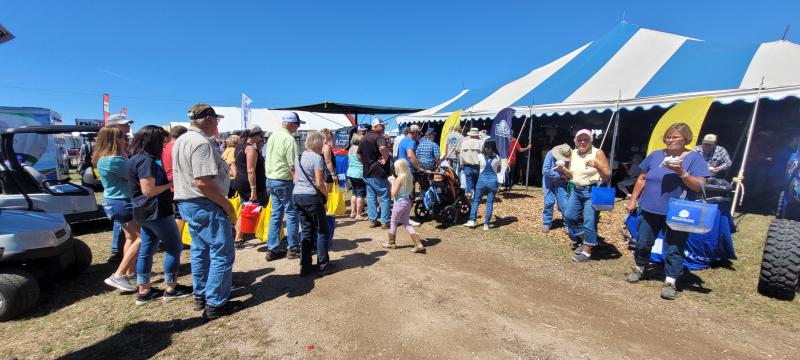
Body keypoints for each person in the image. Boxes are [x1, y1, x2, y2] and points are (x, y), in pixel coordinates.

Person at [625, 123, 711, 300]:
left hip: (677, 211)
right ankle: (640, 267)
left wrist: (681, 172)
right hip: (649, 207)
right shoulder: (655, 155)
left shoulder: (694, 158)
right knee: (642, 242)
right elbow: (642, 178)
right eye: (668, 137)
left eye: (675, 137)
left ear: (686, 138)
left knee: (673, 247)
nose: (670, 140)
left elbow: (700, 185)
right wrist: (633, 199)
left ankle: (670, 280)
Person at [173, 103, 239, 319]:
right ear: (209, 119)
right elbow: (203, 182)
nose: (217, 125)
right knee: (222, 252)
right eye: (217, 121)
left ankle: (201, 294)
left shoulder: (181, 139)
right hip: (204, 202)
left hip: (189, 202)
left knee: (200, 250)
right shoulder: (201, 143)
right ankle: (216, 302)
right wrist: (227, 205)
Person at [128, 125, 190, 305]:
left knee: (147, 249)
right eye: (162, 142)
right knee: (175, 247)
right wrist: (171, 182)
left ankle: (144, 289)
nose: (164, 146)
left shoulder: (135, 159)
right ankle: (171, 287)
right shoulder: (146, 161)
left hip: (143, 212)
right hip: (155, 211)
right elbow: (148, 190)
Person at [94, 126, 140, 292]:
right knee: (139, 238)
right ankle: (119, 275)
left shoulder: (104, 159)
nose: (125, 140)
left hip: (115, 201)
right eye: (122, 137)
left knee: (130, 237)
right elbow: (135, 176)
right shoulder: (114, 160)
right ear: (114, 140)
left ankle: (130, 271)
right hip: (122, 201)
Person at [558, 129, 610, 262]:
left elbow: (606, 177)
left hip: (591, 191)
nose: (582, 142)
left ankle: (587, 252)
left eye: (585, 139)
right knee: (569, 216)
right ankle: (588, 241)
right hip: (576, 190)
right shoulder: (574, 153)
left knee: (589, 221)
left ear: (590, 141)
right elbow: (572, 175)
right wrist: (563, 170)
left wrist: (598, 165)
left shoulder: (597, 152)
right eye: (579, 139)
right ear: (575, 141)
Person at [264, 112, 303, 261]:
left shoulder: (273, 135)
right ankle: (292, 248)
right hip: (284, 180)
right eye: (298, 125)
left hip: (271, 179)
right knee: (292, 213)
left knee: (276, 214)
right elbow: (292, 165)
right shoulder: (289, 139)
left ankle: (272, 248)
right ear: (292, 124)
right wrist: (297, 182)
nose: (298, 128)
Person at [293, 132, 331, 276]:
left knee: (306, 231)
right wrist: (326, 194)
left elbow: (296, 178)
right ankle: (323, 264)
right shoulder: (317, 158)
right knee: (322, 230)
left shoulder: (299, 157)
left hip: (297, 195)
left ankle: (305, 265)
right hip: (311, 196)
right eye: (322, 143)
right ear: (317, 143)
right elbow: (319, 182)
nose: (323, 146)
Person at [104, 114, 134, 262]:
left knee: (130, 234)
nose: (128, 127)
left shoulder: (116, 154)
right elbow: (131, 176)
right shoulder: (113, 158)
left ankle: (120, 254)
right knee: (136, 238)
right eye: (124, 125)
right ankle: (122, 266)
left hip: (119, 197)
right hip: (121, 199)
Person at [233, 126, 268, 248]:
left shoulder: (239, 147)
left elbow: (235, 165)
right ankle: (268, 235)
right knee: (264, 208)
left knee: (245, 210)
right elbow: (251, 170)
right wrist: (253, 189)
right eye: (260, 135)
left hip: (241, 182)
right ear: (255, 135)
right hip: (251, 185)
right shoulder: (250, 149)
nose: (261, 138)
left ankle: (238, 238)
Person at [383, 159, 425, 253]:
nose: (394, 169)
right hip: (407, 201)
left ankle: (391, 243)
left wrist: (392, 182)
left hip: (399, 203)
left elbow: (393, 194)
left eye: (395, 168)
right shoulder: (409, 176)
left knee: (393, 222)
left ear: (398, 168)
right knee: (407, 223)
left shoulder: (399, 179)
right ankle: (418, 244)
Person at [357, 118, 392, 229]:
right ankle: (385, 222)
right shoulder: (379, 137)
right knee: (385, 197)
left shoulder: (364, 138)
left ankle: (372, 220)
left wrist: (366, 163)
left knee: (371, 197)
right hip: (378, 173)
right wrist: (386, 157)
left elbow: (358, 156)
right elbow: (382, 147)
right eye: (382, 125)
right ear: (376, 126)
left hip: (367, 173)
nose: (384, 127)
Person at [464, 139, 501, 230]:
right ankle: (486, 224)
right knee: (489, 203)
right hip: (493, 182)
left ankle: (472, 220)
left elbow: (478, 167)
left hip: (481, 181)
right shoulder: (497, 157)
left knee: (476, 201)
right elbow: (499, 170)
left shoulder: (480, 156)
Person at [162, 125, 188, 240]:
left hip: (168, 183)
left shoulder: (164, 147)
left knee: (174, 213)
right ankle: (177, 239)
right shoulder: (178, 148)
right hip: (178, 184)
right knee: (180, 214)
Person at [542, 143, 572, 232]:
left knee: (564, 204)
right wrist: (560, 175)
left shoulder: (571, 157)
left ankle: (567, 224)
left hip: (562, 182)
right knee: (549, 202)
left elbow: (571, 171)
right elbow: (545, 170)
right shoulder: (550, 154)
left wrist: (564, 174)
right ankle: (546, 223)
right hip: (549, 181)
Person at [457, 128, 483, 197]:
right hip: (477, 166)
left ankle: (470, 199)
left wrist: (461, 164)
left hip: (467, 166)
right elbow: (483, 155)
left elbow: (461, 155)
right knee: (477, 184)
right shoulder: (480, 142)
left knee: (469, 184)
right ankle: (476, 198)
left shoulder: (464, 143)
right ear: (477, 135)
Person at [347, 134, 367, 220]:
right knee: (360, 194)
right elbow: (363, 160)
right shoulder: (360, 148)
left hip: (351, 172)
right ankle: (359, 214)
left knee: (354, 193)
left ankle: (353, 212)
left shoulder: (351, 148)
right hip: (359, 173)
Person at [320, 128, 338, 193]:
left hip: (323, 170)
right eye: (330, 134)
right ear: (326, 134)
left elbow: (333, 146)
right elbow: (328, 161)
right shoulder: (326, 147)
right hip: (328, 172)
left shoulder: (320, 145)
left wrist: (331, 138)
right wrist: (333, 174)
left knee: (326, 192)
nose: (331, 135)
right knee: (328, 193)